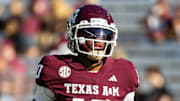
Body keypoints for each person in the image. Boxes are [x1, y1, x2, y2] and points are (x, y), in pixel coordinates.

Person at [33, 4, 139, 101]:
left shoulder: (124, 71)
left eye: (104, 35)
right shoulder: (54, 68)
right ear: (75, 35)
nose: (98, 41)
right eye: (91, 34)